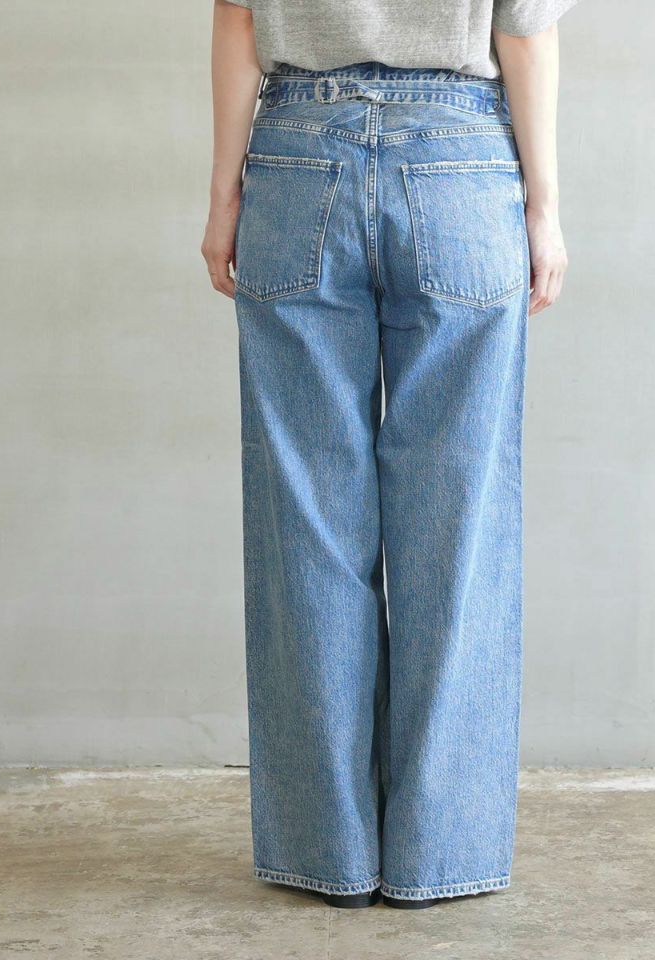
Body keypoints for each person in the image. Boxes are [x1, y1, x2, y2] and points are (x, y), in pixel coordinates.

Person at [201, 0, 578, 910]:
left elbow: (239, 17)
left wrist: (224, 198)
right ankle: (438, 857)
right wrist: (544, 207)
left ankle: (326, 854)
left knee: (307, 520)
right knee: (458, 531)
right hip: (460, 161)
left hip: (296, 159)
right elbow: (525, 31)